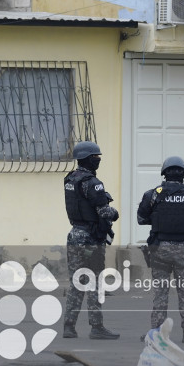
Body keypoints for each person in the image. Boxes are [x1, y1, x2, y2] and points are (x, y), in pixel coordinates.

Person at [137, 156, 184, 343]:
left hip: (160, 249)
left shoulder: (152, 194)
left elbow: (141, 219)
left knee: (160, 293)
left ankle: (157, 333)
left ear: (164, 173)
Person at [62, 140, 120, 340]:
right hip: (91, 238)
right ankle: (97, 327)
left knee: (76, 282)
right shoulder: (93, 183)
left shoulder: (70, 179)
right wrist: (115, 212)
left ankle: (69, 327)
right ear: (87, 158)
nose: (98, 160)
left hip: (74, 234)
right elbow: (104, 211)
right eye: (96, 157)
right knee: (94, 282)